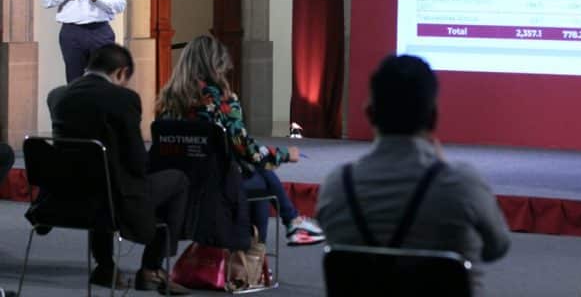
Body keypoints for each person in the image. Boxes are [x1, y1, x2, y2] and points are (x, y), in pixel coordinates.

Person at [315, 54, 511, 293]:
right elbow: (497, 247)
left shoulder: (336, 187)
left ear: (369, 112)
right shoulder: (462, 185)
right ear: (433, 116)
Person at [44, 44, 190, 294]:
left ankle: (105, 266)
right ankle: (152, 267)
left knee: (98, 178)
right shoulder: (124, 99)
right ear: (121, 72)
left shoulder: (58, 96)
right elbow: (136, 158)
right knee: (178, 180)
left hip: (66, 197)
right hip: (115, 198)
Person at [154, 35, 325, 246]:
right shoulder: (222, 100)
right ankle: (259, 251)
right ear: (216, 65)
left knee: (254, 168)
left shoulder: (167, 100)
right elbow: (246, 149)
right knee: (259, 174)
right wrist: (284, 154)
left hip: (179, 180)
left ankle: (289, 224)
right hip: (216, 183)